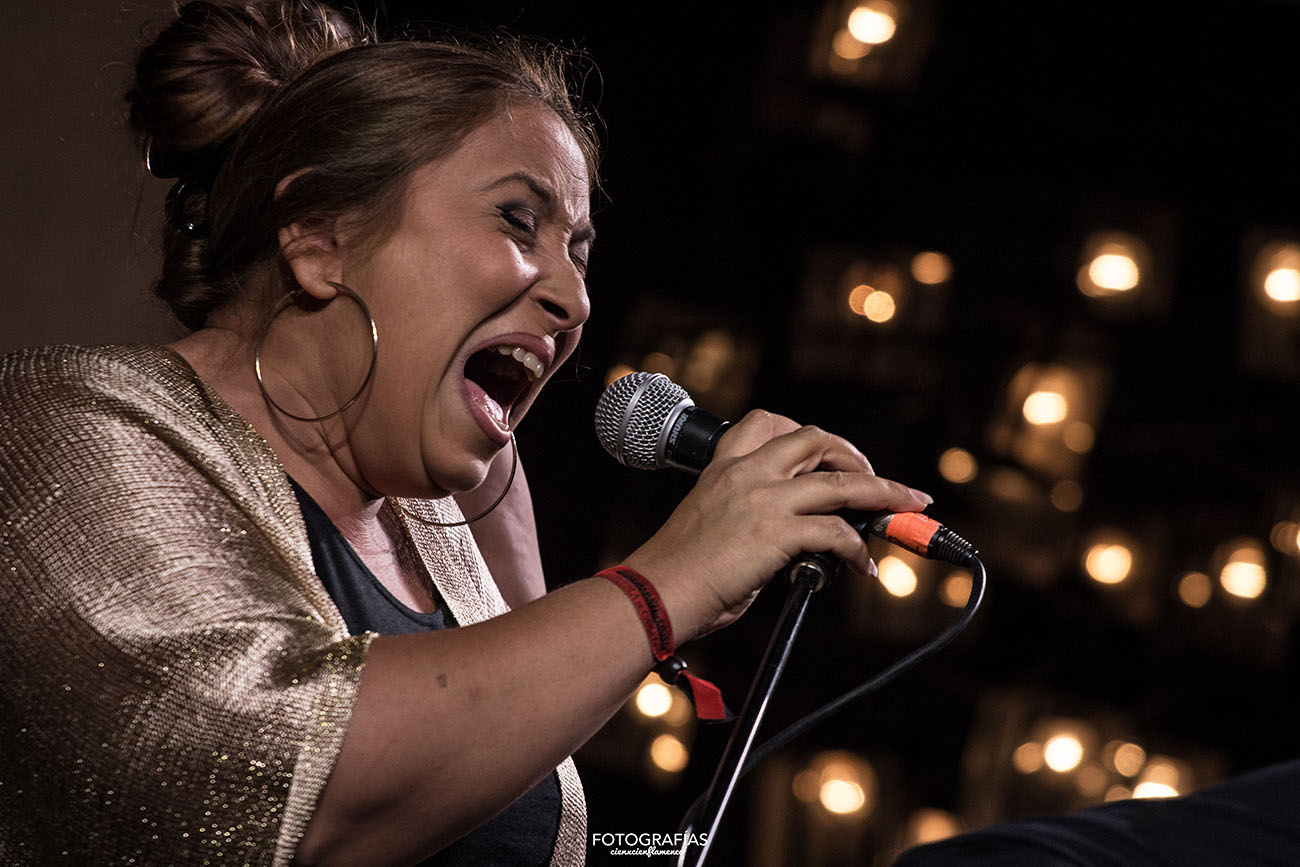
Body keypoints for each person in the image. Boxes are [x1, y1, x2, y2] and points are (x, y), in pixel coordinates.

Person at [0, 2, 934, 864]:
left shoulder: (458, 515)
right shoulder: (67, 424)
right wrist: (666, 585)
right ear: (319, 236)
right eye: (518, 220)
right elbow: (288, 788)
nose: (572, 299)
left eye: (580, 254)